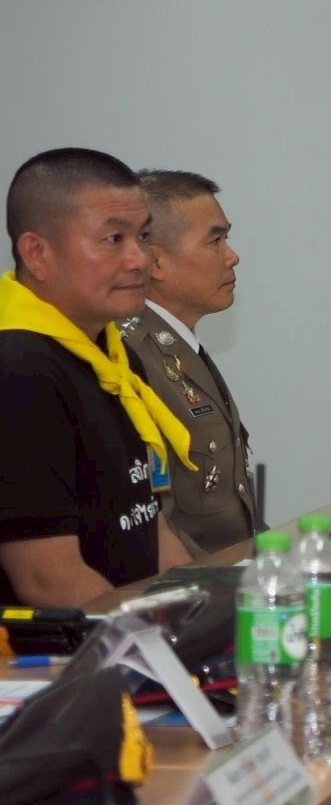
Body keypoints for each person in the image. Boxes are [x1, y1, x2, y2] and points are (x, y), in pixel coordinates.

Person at [0, 148, 192, 608]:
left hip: (123, 626)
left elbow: (149, 523)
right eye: (113, 239)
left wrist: (204, 609)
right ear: (37, 253)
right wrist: (159, 644)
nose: (140, 259)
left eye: (143, 236)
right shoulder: (19, 369)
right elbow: (48, 580)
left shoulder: (112, 351)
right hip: (60, 648)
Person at [122, 170, 261, 556]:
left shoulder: (180, 348)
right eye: (215, 241)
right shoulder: (131, 357)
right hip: (190, 584)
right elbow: (153, 524)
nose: (232, 257)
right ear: (155, 262)